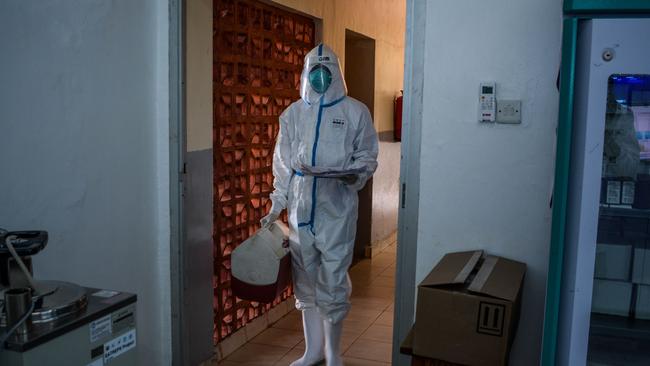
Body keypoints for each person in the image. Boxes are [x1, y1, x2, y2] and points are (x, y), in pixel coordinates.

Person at [260, 43, 378, 366]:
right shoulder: (293, 115)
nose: (320, 77)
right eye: (315, 71)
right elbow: (282, 165)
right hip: (301, 210)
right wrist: (276, 205)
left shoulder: (355, 112)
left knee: (334, 280)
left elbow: (367, 156)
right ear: (306, 74)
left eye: (326, 72)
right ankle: (312, 352)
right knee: (306, 282)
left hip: (336, 210)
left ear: (336, 74)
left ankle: (333, 353)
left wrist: (352, 176)